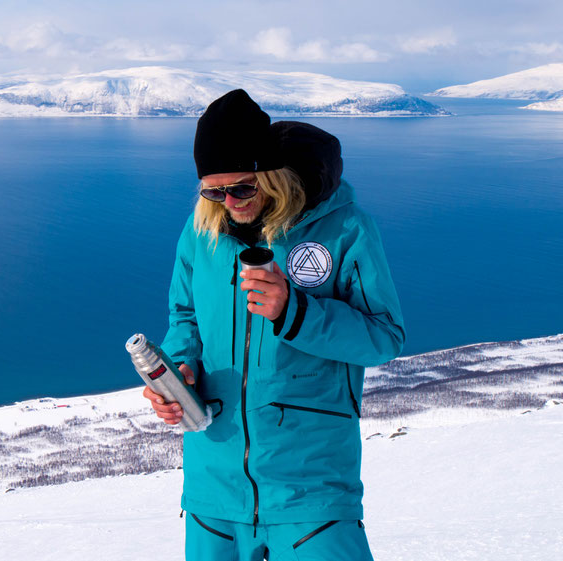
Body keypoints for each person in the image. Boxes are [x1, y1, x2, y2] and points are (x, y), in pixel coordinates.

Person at [142, 89, 405, 561]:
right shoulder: (201, 231)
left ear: (271, 173)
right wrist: (179, 372)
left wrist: (295, 312)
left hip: (310, 486)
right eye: (213, 191)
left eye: (242, 187)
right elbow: (185, 318)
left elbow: (383, 336)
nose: (229, 201)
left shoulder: (344, 229)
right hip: (213, 485)